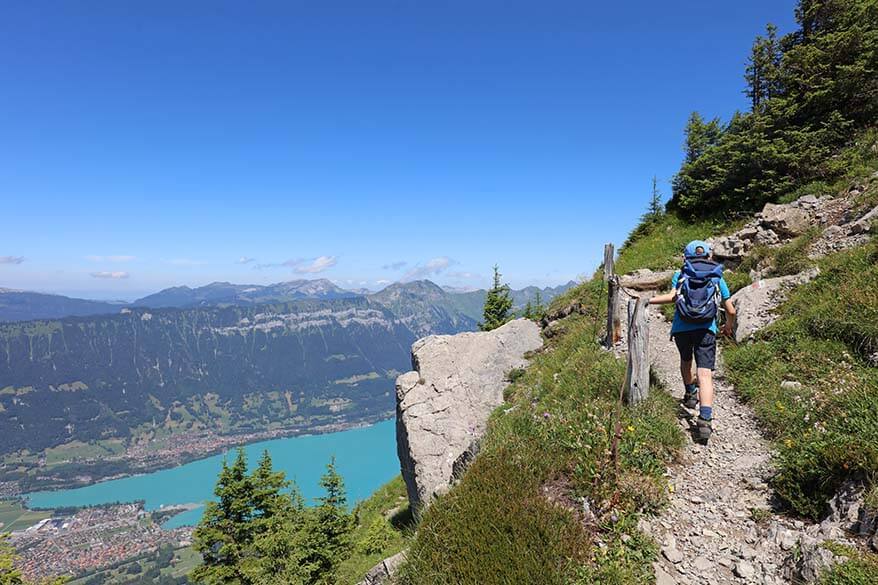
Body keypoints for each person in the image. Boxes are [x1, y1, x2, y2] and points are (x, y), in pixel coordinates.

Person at [648, 240, 736, 443]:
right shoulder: (717, 276)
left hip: (682, 329)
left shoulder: (681, 275)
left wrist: (647, 300)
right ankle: (705, 419)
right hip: (707, 329)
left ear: (686, 257)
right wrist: (728, 326)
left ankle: (690, 394)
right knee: (704, 374)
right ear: (708, 256)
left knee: (686, 361)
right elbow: (730, 309)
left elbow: (672, 297)